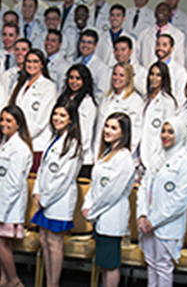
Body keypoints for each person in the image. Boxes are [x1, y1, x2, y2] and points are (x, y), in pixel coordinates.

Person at [137, 117, 187, 287]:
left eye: (171, 132)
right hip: (148, 223)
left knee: (163, 267)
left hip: (167, 226)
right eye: (163, 131)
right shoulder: (158, 157)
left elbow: (180, 200)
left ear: (179, 134)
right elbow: (144, 187)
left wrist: (153, 221)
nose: (165, 135)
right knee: (151, 264)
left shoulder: (186, 162)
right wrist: (142, 215)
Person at [0, 105, 32, 287]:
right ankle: (4, 281)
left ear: (18, 124)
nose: (3, 124)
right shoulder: (3, 144)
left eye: (9, 120)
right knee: (5, 245)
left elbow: (13, 183)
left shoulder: (19, 148)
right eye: (2, 119)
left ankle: (15, 281)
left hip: (8, 204)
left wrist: (1, 211)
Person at [83, 112, 137, 287]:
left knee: (111, 264)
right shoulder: (106, 154)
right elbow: (95, 185)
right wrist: (87, 205)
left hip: (111, 218)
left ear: (124, 132)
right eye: (107, 126)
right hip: (100, 216)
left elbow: (112, 193)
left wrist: (93, 211)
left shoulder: (124, 158)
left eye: (114, 128)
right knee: (104, 264)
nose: (108, 130)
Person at [32, 103, 82, 287]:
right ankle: (48, 281)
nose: (57, 118)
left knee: (54, 244)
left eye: (62, 115)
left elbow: (63, 178)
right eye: (55, 114)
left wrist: (44, 199)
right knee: (44, 240)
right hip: (45, 199)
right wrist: (37, 191)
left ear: (71, 120)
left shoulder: (72, 144)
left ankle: (54, 284)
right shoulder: (53, 139)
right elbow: (43, 169)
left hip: (57, 200)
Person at [8, 49, 58, 172]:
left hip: (36, 145)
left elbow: (41, 121)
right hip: (16, 143)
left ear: (42, 64)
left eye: (35, 61)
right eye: (28, 61)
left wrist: (20, 136)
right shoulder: (19, 84)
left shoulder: (48, 87)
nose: (31, 65)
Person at [55, 64, 97, 170]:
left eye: (78, 78)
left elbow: (86, 133)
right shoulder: (64, 98)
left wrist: (74, 150)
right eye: (71, 77)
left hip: (80, 157)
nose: (74, 81)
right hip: (62, 151)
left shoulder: (87, 102)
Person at [98, 62, 144, 152]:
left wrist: (127, 152)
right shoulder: (107, 98)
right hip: (102, 150)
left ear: (128, 79)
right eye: (115, 74)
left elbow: (135, 131)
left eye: (121, 75)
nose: (117, 78)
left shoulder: (135, 100)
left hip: (120, 153)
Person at [140, 62, 178, 165]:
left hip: (156, 152)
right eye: (152, 74)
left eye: (158, 75)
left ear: (164, 78)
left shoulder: (167, 102)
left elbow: (169, 132)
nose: (154, 78)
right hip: (143, 150)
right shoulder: (145, 99)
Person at [138, 2, 186, 69]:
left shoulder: (178, 35)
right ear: (154, 13)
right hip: (147, 72)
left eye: (164, 10)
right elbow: (138, 57)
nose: (161, 12)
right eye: (158, 10)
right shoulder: (144, 33)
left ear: (170, 14)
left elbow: (179, 60)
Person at [76, 30, 111, 95]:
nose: (85, 45)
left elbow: (101, 92)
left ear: (96, 45)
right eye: (83, 42)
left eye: (89, 43)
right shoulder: (75, 63)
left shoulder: (102, 68)